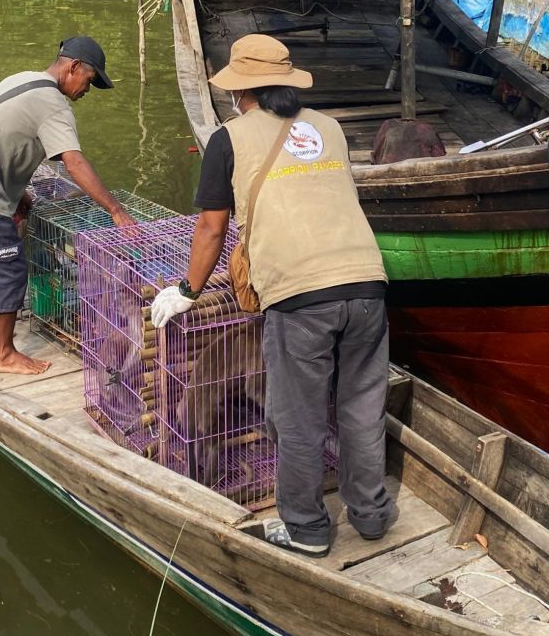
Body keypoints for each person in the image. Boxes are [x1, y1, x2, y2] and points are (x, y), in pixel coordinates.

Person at [150, 34, 395, 556]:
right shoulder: (329, 127)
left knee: (298, 417)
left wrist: (188, 291)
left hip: (301, 295)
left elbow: (213, 228)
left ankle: (307, 528)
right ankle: (372, 516)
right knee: (362, 407)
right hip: (368, 283)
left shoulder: (229, 138)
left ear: (242, 91)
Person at [0, 36, 136, 375]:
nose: (87, 91)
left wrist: (22, 195)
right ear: (73, 67)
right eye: (89, 81)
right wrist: (116, 211)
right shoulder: (54, 104)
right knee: (9, 270)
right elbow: (73, 162)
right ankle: (5, 354)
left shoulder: (21, 79)